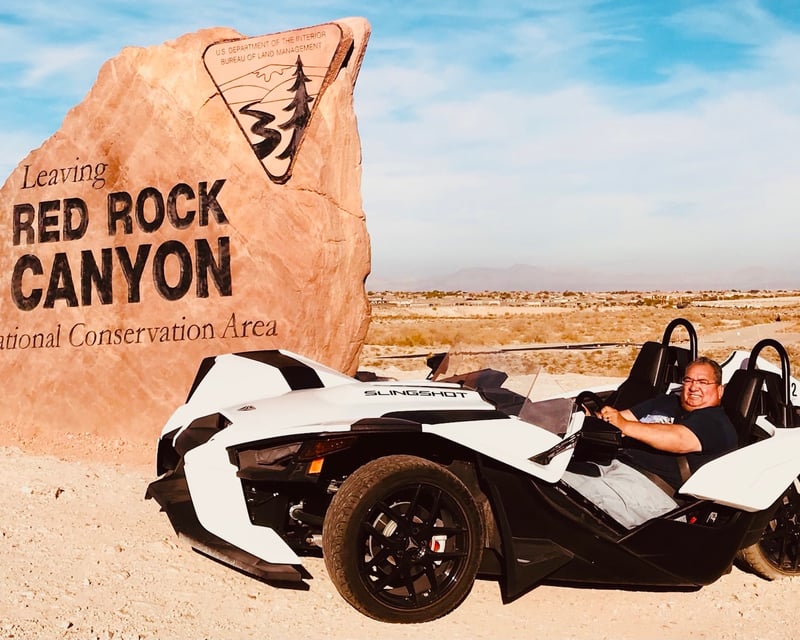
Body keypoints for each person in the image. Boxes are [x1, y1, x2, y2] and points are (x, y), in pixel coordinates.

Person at [562, 356, 737, 529]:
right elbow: (619, 419)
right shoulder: (666, 402)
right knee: (553, 479)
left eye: (703, 382)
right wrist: (589, 417)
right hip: (614, 468)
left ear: (719, 390)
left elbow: (678, 439)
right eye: (688, 380)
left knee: (568, 500)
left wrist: (624, 425)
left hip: (653, 492)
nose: (693, 387)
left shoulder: (717, 422)